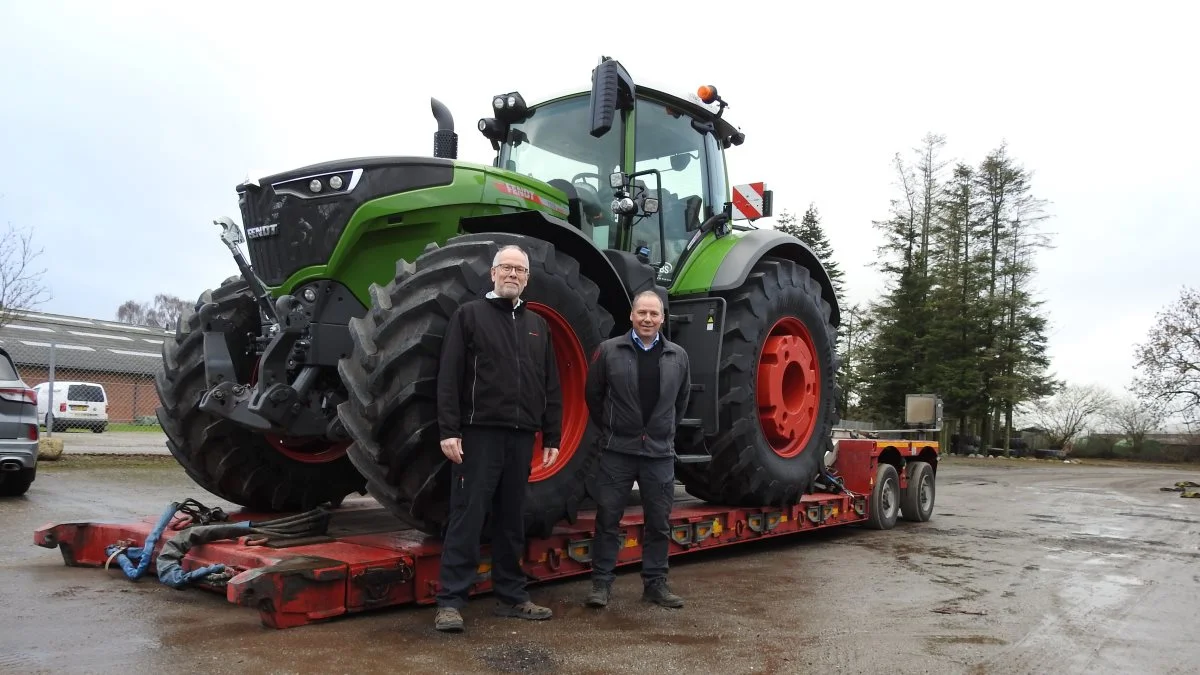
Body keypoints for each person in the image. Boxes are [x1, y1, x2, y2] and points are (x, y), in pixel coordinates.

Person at [433, 244, 562, 633]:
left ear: (527, 279)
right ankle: (451, 601)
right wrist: (449, 430)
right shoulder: (469, 316)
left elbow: (550, 385)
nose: (511, 275)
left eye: (519, 270)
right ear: (492, 274)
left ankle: (512, 596)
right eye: (505, 268)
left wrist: (552, 435)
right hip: (479, 434)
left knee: (511, 520)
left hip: (522, 436)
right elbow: (449, 376)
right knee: (467, 516)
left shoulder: (538, 324)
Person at [583, 289, 691, 609]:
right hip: (618, 450)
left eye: (653, 314)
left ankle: (655, 584)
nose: (647, 319)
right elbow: (594, 396)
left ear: (662, 319)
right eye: (641, 313)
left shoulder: (678, 356)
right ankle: (601, 584)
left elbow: (680, 402)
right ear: (631, 315)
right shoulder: (609, 351)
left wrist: (662, 430)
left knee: (658, 522)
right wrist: (614, 428)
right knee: (607, 519)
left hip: (658, 453)